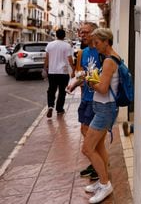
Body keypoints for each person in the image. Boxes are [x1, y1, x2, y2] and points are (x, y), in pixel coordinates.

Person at [82, 28, 119, 203]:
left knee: (87, 148)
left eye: (97, 43)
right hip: (104, 107)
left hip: (105, 109)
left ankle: (105, 184)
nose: (95, 46)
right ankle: (103, 180)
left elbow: (103, 89)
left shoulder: (109, 61)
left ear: (106, 41)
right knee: (99, 147)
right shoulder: (110, 59)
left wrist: (90, 81)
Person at [76, 22, 101, 181]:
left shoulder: (100, 52)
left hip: (97, 99)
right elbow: (81, 74)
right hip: (85, 97)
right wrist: (75, 84)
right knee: (85, 131)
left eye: (86, 32)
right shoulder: (82, 53)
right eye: (81, 32)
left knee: (91, 134)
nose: (82, 35)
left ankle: (99, 166)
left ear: (94, 33)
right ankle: (96, 163)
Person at [43, 29, 74, 118]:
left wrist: (45, 68)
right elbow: (70, 58)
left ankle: (50, 106)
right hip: (63, 72)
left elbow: (47, 58)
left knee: (51, 90)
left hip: (52, 72)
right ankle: (59, 109)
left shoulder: (50, 45)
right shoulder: (67, 46)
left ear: (56, 35)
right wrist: (73, 69)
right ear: (64, 36)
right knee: (62, 91)